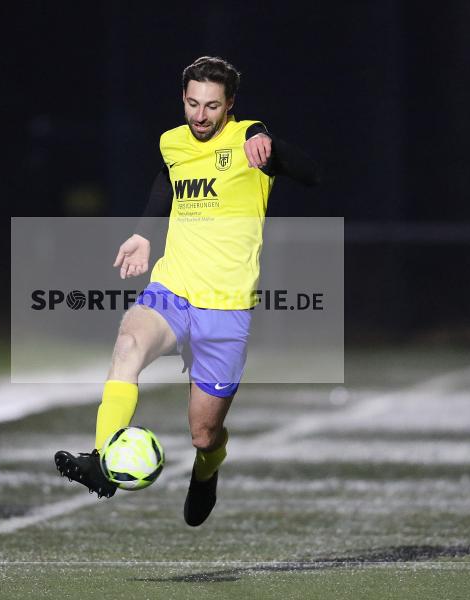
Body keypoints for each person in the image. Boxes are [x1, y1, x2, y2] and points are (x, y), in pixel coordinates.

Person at [55, 56, 320, 526]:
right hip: (172, 287)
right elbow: (167, 178)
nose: (200, 116)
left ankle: (206, 473)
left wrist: (268, 141)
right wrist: (142, 232)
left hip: (226, 307)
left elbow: (312, 172)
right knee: (128, 345)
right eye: (193, 103)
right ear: (183, 98)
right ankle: (101, 461)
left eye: (212, 106)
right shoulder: (172, 142)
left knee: (204, 433)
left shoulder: (249, 143)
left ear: (230, 105)